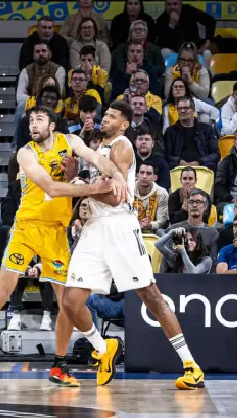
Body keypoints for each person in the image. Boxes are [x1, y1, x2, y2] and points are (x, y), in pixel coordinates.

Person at [0, 105, 122, 385]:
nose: (33, 124)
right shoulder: (26, 153)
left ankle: (59, 365)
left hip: (56, 232)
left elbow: (96, 158)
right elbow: (52, 188)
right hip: (27, 229)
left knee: (65, 303)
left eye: (39, 119)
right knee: (2, 293)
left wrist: (116, 175)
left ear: (52, 125)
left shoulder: (70, 142)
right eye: (30, 120)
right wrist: (94, 189)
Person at [59, 100, 206, 389]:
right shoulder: (97, 151)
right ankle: (104, 349)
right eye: (106, 114)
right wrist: (73, 178)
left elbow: (115, 197)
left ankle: (191, 365)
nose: (106, 118)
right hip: (94, 229)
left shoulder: (122, 146)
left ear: (124, 124)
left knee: (151, 297)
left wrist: (76, 182)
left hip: (119, 226)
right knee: (70, 302)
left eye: (112, 116)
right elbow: (90, 190)